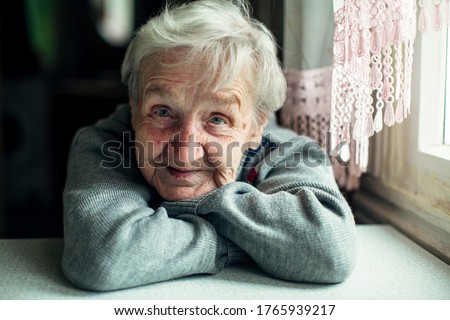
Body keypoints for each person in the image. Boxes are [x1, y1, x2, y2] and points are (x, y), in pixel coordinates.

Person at [62, 0, 356, 291]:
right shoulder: (106, 145)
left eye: (217, 119)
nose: (185, 150)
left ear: (255, 127)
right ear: (135, 106)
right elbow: (103, 257)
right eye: (163, 111)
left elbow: (329, 249)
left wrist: (159, 231)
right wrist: (255, 244)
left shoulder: (290, 152)